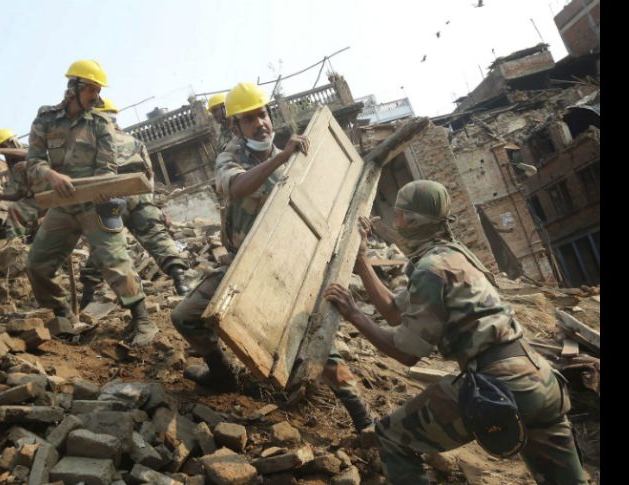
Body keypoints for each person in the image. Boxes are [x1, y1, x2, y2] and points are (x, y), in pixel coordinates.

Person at [323, 180, 588, 485]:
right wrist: (362, 261)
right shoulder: (454, 256)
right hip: (540, 378)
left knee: (391, 437)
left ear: (411, 220)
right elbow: (395, 312)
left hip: (499, 384)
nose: (394, 223)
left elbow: (406, 353)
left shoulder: (429, 270)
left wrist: (354, 314)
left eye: (397, 215)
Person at [170, 82, 374, 433]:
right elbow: (237, 187)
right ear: (236, 126)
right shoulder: (231, 158)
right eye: (249, 119)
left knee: (316, 341)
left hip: (289, 268)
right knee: (185, 316)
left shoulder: (300, 159)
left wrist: (357, 228)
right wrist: (281, 158)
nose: (260, 124)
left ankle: (361, 414)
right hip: (243, 267)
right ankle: (222, 375)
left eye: (262, 115)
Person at [25, 59, 157, 346]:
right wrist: (51, 175)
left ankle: (142, 319)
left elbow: (107, 167)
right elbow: (33, 161)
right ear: (73, 87)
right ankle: (62, 314)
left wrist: (103, 188)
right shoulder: (45, 119)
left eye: (98, 90)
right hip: (63, 204)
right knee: (36, 265)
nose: (96, 96)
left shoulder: (101, 123)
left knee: (116, 260)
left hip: (97, 201)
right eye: (91, 89)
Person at [78, 98, 190, 305]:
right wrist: (153, 206)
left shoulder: (91, 145)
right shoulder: (135, 142)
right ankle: (180, 281)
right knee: (156, 236)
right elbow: (149, 175)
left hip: (109, 197)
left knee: (105, 245)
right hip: (139, 195)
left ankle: (87, 297)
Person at [0, 128, 46, 241]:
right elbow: (20, 194)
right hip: (36, 200)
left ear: (12, 141)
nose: (4, 150)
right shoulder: (13, 167)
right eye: (0, 147)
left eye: (4, 146)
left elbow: (29, 154)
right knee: (14, 209)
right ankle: (15, 245)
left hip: (54, 192)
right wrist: (1, 197)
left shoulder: (28, 149)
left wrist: (0, 150)